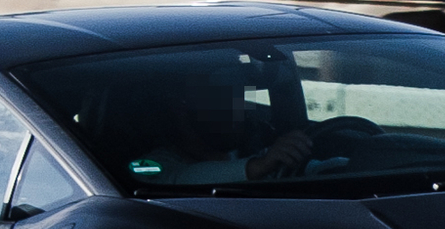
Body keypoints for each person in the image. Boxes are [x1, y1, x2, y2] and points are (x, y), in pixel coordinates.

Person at [126, 67, 316, 185]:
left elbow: (310, 169)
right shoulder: (148, 165)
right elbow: (179, 179)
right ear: (182, 110)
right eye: (222, 102)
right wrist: (258, 167)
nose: (238, 113)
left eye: (239, 100)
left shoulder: (250, 153)